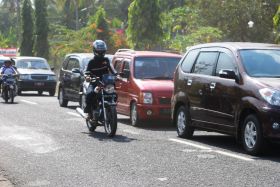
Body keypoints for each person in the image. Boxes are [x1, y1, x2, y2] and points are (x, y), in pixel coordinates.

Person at [84, 40, 118, 120]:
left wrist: (117, 75)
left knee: (114, 94)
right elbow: (86, 72)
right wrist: (87, 77)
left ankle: (110, 110)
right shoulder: (91, 62)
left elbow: (112, 69)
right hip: (94, 83)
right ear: (95, 51)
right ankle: (89, 112)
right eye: (99, 51)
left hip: (105, 83)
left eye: (102, 51)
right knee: (90, 94)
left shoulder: (106, 60)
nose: (100, 53)